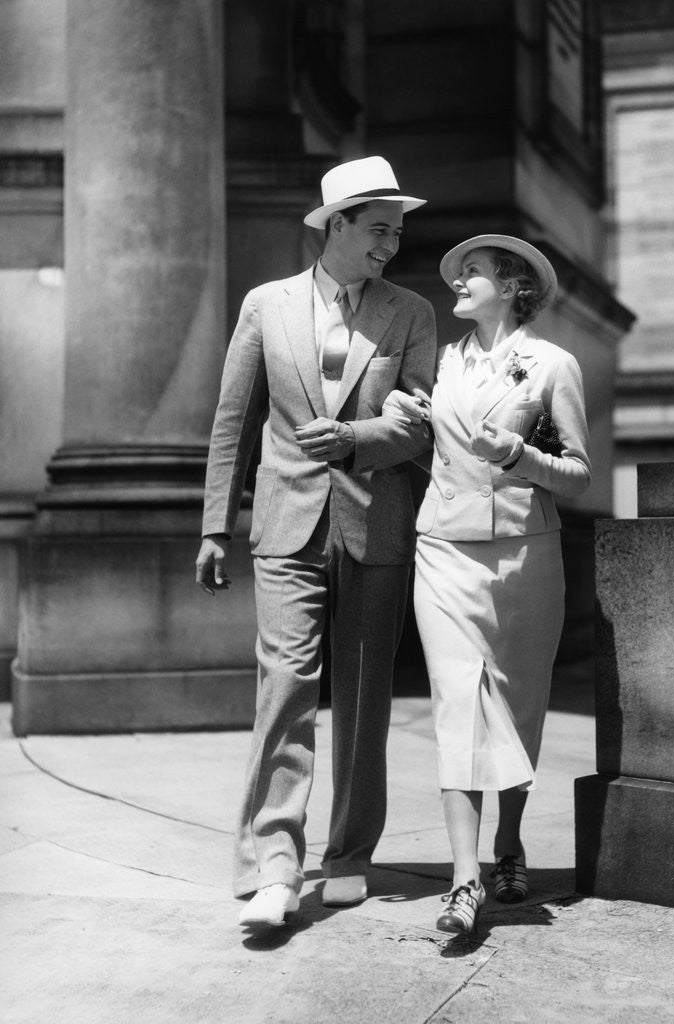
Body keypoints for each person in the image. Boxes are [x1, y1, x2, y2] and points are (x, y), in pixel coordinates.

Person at [196, 156, 436, 931]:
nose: (390, 245)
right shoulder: (265, 305)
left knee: (366, 697)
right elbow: (233, 419)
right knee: (286, 688)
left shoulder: (411, 312)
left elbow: (420, 421)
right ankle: (274, 864)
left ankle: (350, 855)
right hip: (284, 523)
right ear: (333, 225)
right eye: (377, 229)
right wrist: (213, 525)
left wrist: (357, 436)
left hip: (377, 522)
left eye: (397, 232)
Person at [383, 234, 591, 934]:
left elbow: (580, 473)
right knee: (457, 706)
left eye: (471, 272)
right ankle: (464, 879)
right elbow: (428, 449)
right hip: (442, 551)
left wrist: (522, 454)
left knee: (516, 704)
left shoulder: (553, 365)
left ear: (511, 284)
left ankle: (509, 843)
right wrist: (405, 423)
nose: (458, 282)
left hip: (524, 558)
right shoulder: (440, 364)